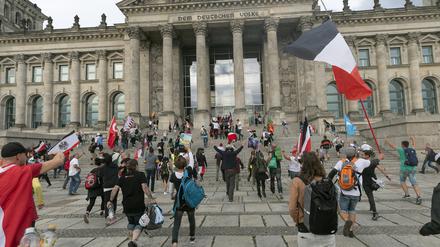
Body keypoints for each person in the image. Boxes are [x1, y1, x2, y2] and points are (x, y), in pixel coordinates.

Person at [0, 142, 64, 247]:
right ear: (18, 156)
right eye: (25, 154)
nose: (26, 157)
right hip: (14, 228)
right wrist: (58, 152)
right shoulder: (23, 171)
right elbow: (59, 161)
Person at [289, 152, 335, 246]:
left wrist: (297, 220)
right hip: (327, 228)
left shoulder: (297, 181)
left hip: (306, 227)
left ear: (303, 164)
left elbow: (292, 208)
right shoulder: (327, 181)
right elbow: (335, 206)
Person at [108, 159, 155, 247]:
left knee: (131, 222)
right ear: (136, 166)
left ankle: (131, 240)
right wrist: (151, 198)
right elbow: (144, 187)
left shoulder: (122, 177)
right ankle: (133, 241)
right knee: (139, 223)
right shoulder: (140, 175)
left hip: (126, 205)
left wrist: (110, 200)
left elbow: (115, 189)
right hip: (138, 204)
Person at [328, 147, 370, 238]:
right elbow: (370, 161)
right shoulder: (362, 161)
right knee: (352, 210)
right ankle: (350, 231)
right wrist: (362, 155)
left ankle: (347, 221)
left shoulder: (341, 162)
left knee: (342, 210)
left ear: (346, 154)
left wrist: (328, 184)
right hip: (356, 192)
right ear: (355, 154)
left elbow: (331, 174)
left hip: (344, 191)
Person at [385, 137, 422, 205]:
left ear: (402, 145)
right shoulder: (412, 149)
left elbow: (392, 146)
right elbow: (414, 145)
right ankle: (419, 196)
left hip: (404, 169)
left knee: (402, 181)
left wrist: (387, 141)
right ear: (407, 145)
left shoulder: (401, 150)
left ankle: (407, 194)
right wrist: (413, 139)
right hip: (413, 169)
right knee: (414, 183)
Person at [170, 156, 197, 246]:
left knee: (177, 223)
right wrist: (188, 151)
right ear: (185, 164)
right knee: (191, 219)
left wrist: (172, 195)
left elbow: (171, 189)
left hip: (179, 201)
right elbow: (192, 161)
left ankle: (174, 242)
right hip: (189, 200)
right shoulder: (188, 172)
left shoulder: (173, 175)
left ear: (176, 165)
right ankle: (192, 237)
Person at [360, 150, 391, 221]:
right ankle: (371, 207)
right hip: (373, 182)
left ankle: (375, 212)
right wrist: (387, 176)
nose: (362, 156)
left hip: (366, 182)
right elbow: (381, 169)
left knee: (370, 196)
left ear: (368, 156)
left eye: (363, 155)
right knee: (370, 195)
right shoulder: (373, 162)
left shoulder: (362, 163)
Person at [100, 153, 119, 224]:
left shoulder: (103, 167)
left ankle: (108, 216)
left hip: (107, 186)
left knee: (107, 202)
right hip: (115, 186)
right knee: (114, 201)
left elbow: (100, 175)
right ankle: (112, 215)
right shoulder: (115, 166)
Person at [84, 158, 105, 224]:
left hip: (92, 188)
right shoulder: (102, 170)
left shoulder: (93, 170)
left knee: (92, 202)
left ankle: (87, 213)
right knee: (103, 199)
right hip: (100, 188)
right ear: (101, 163)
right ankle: (102, 210)